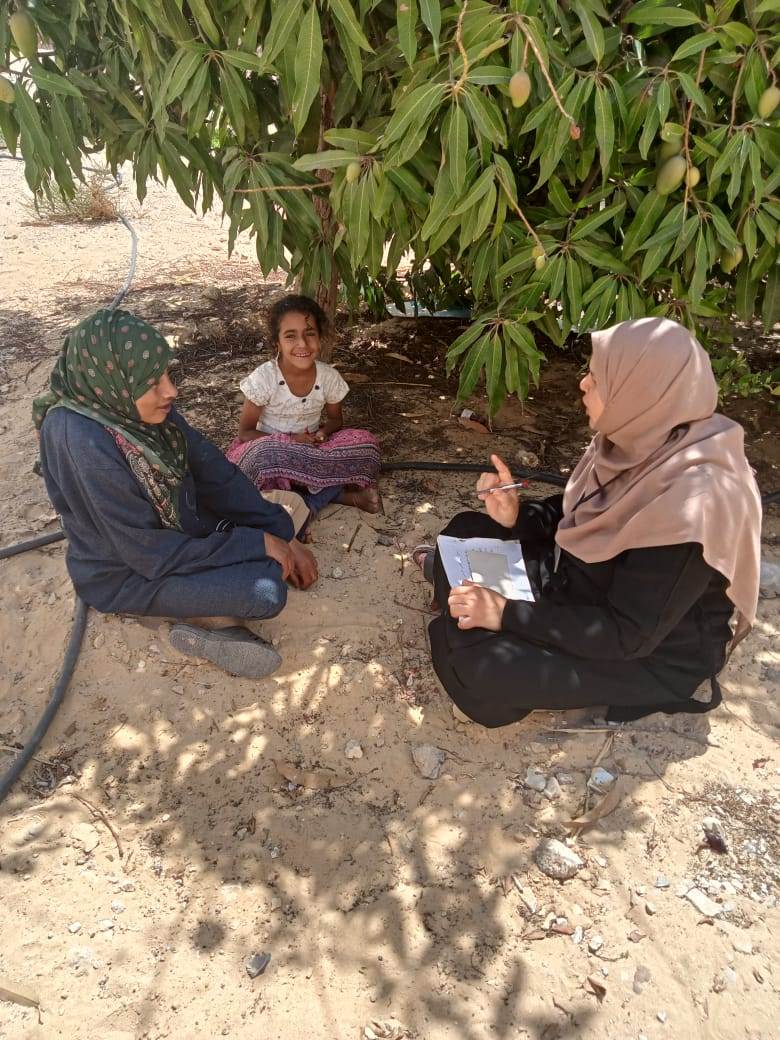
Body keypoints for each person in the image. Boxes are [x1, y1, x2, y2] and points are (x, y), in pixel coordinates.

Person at [414, 318, 762, 726]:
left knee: (482, 668)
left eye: (598, 379)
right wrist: (516, 515)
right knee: (466, 528)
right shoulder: (642, 438)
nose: (583, 384)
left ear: (639, 392)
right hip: (580, 586)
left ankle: (461, 607)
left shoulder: (694, 507)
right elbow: (577, 513)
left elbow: (626, 634)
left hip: (642, 652)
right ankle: (462, 605)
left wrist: (506, 614)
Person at [34, 308, 318, 680]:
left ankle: (209, 616)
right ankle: (200, 626)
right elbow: (148, 554)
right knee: (265, 591)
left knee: (288, 517)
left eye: (167, 374)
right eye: (152, 382)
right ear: (113, 379)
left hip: (181, 529)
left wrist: (280, 532)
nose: (171, 391)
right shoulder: (80, 440)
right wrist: (258, 542)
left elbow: (213, 471)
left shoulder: (128, 404)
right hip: (129, 573)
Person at [226, 295, 381, 526]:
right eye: (290, 336)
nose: (302, 344)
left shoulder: (328, 377)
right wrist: (289, 441)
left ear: (320, 338)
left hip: (311, 450)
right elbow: (245, 433)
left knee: (367, 445)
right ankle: (328, 499)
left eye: (310, 333)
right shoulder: (264, 378)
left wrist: (322, 434)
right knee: (257, 458)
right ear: (277, 343)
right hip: (272, 451)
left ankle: (305, 502)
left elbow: (335, 420)